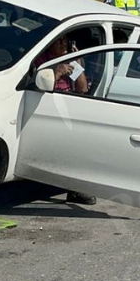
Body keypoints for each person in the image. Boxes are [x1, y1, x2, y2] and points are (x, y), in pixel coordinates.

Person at [32, 35, 95, 204]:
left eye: (66, 41)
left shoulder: (69, 60)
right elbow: (40, 86)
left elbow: (82, 88)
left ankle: (75, 187)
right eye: (59, 41)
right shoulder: (42, 61)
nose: (63, 44)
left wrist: (77, 64)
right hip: (47, 103)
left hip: (68, 103)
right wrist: (58, 73)